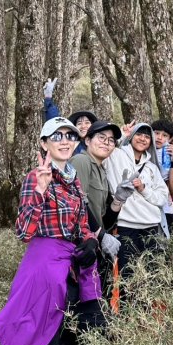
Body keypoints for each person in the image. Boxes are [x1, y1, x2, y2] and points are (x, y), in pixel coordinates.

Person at [0, 117, 102, 345]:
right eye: (57, 136)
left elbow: (82, 225)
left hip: (72, 269)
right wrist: (40, 191)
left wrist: (90, 242)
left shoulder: (74, 181)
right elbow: (23, 232)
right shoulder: (36, 177)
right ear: (44, 143)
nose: (65, 141)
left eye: (70, 136)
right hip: (46, 272)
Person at [104, 122, 168, 275]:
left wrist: (144, 189)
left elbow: (162, 197)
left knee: (152, 274)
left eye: (147, 137)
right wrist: (122, 135)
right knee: (127, 275)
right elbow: (103, 148)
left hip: (151, 226)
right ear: (132, 137)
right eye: (139, 134)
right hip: (126, 226)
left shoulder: (151, 168)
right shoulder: (116, 155)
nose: (142, 139)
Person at [69, 121, 123, 297]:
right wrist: (101, 235)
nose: (106, 143)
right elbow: (77, 203)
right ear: (87, 140)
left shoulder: (101, 171)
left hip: (94, 248)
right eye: (101, 137)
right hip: (80, 246)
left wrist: (118, 200)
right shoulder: (81, 161)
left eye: (111, 140)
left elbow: (104, 220)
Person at [42, 77, 96, 155]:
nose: (83, 126)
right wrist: (48, 98)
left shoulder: (100, 145)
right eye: (79, 123)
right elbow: (55, 123)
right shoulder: (71, 145)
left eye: (87, 122)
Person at [151, 119, 173, 227]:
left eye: (164, 135)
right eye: (157, 133)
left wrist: (172, 162)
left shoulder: (171, 153)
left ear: (170, 138)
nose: (159, 137)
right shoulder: (143, 149)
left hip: (165, 205)